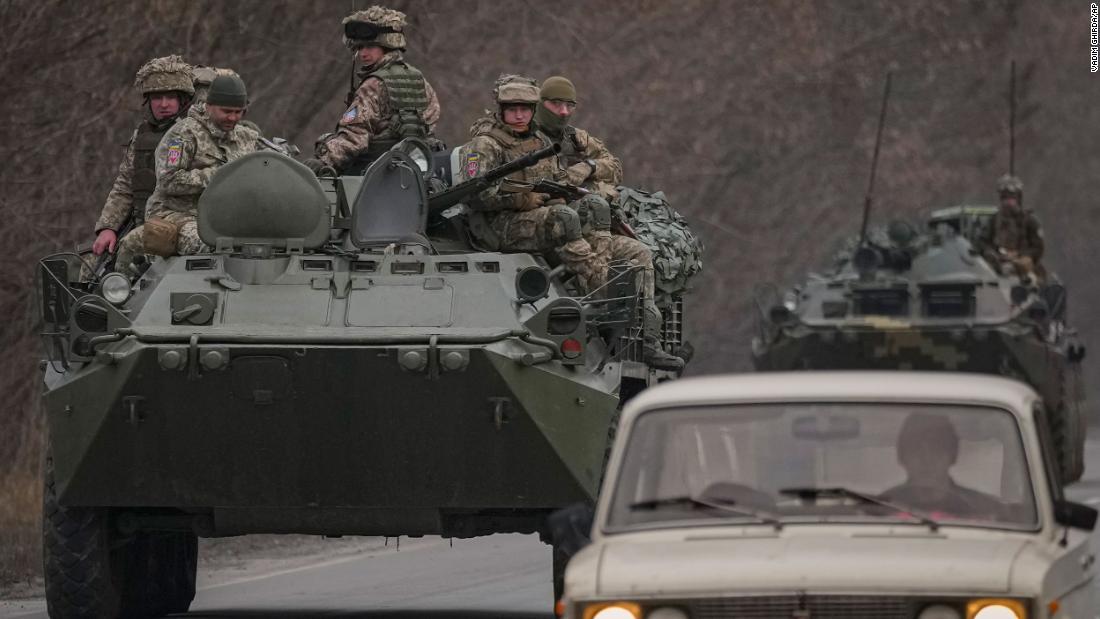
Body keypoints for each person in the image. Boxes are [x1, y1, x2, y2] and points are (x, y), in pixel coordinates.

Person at [536, 76, 683, 371]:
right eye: (555, 104)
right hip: (555, 226)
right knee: (591, 267)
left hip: (590, 221)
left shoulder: (574, 138)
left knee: (639, 253)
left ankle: (646, 341)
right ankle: (601, 315)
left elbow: (613, 166)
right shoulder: (530, 139)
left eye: (569, 106)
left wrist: (587, 166)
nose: (563, 112)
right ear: (540, 105)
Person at [91, 55, 194, 278]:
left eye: (170, 97)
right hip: (140, 227)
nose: (164, 104)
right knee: (90, 274)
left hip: (181, 230)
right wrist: (108, 228)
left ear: (183, 100)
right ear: (148, 100)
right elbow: (125, 185)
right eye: (157, 97)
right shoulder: (142, 136)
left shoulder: (196, 135)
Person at [306, 6, 441, 175]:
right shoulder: (420, 80)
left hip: (376, 174)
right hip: (417, 171)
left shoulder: (373, 85)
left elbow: (354, 136)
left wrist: (323, 161)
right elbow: (429, 124)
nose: (363, 53)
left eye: (370, 46)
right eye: (360, 47)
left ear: (387, 46)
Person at [143, 74, 259, 258]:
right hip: (179, 214)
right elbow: (168, 181)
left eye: (238, 112)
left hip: (228, 216)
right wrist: (220, 176)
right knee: (211, 246)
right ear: (209, 106)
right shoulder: (181, 136)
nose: (232, 117)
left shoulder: (247, 137)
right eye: (226, 111)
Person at [881, 413, 1005, 518]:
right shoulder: (878, 510)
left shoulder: (982, 511)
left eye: (936, 448)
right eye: (916, 449)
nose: (926, 459)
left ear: (952, 454)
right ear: (902, 455)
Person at [981, 174, 1045, 281]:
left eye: (1011, 198)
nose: (1008, 202)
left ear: (1018, 199)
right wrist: (992, 253)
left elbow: (1038, 248)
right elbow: (983, 242)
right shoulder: (994, 220)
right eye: (1004, 198)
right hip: (998, 264)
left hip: (1023, 267)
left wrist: (1020, 255)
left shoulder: (1030, 221)